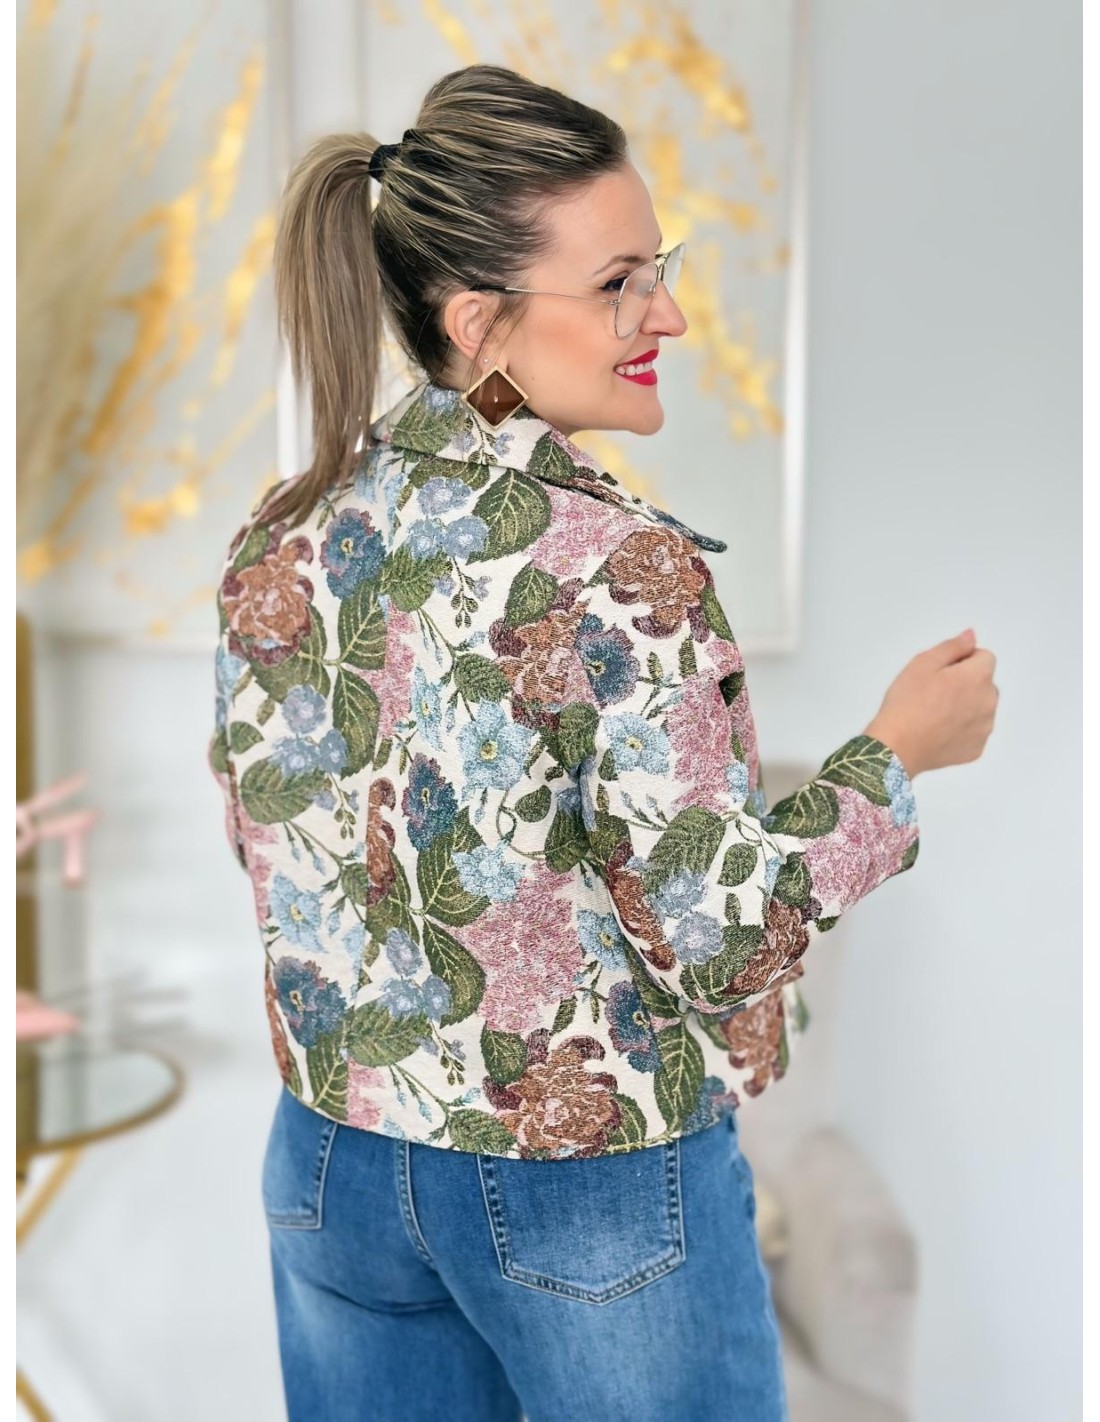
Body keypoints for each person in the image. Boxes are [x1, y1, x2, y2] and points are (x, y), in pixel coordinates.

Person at [207, 62, 998, 1422]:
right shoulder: (618, 564)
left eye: (659, 270)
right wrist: (894, 752)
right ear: (479, 322)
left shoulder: (282, 532)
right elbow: (714, 936)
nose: (669, 314)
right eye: (622, 282)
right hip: (585, 1189)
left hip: (334, 1164)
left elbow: (262, 833)